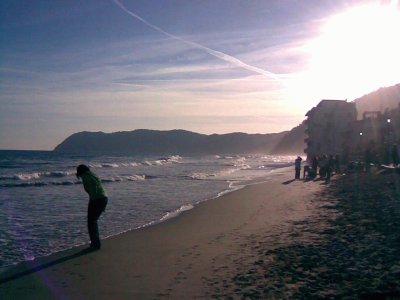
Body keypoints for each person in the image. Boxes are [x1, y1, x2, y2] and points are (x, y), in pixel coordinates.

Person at [76, 164, 108, 250]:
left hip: (96, 199)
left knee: (91, 222)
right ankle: (95, 243)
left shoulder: (85, 176)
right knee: (93, 221)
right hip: (103, 198)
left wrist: (93, 199)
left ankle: (95, 244)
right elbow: (98, 186)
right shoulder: (92, 174)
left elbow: (93, 187)